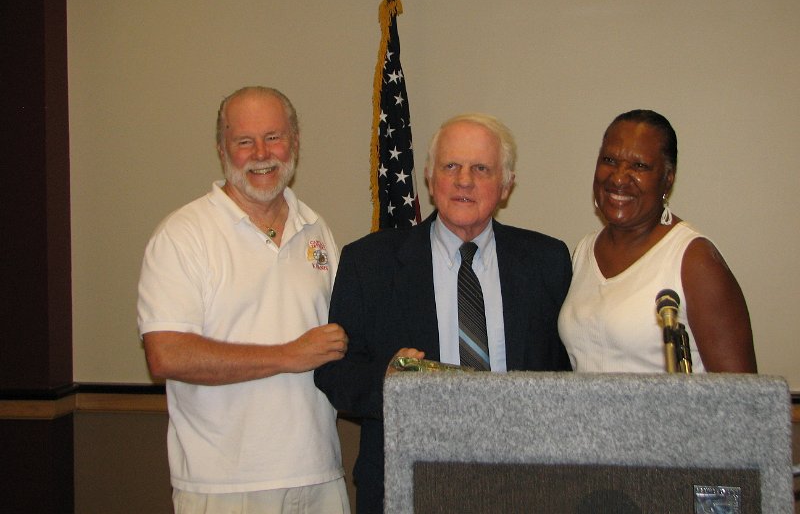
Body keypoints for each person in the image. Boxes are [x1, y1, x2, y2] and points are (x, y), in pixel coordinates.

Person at [314, 114, 573, 513]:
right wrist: (388, 383)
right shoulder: (369, 262)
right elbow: (333, 371)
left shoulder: (547, 262)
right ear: (430, 179)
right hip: (410, 481)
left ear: (505, 185)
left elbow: (567, 377)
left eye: (480, 169)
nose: (464, 180)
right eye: (451, 166)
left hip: (524, 485)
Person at [137, 86, 350, 513]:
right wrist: (288, 355)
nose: (261, 153)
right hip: (224, 485)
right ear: (222, 149)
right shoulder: (183, 235)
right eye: (244, 141)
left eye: (273, 137)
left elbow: (342, 340)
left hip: (319, 473)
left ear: (295, 141)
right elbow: (166, 355)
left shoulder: (316, 229)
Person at [558, 109, 757, 373]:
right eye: (609, 160)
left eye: (639, 166)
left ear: (667, 179)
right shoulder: (583, 252)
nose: (618, 177)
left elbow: (741, 396)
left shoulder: (694, 259)